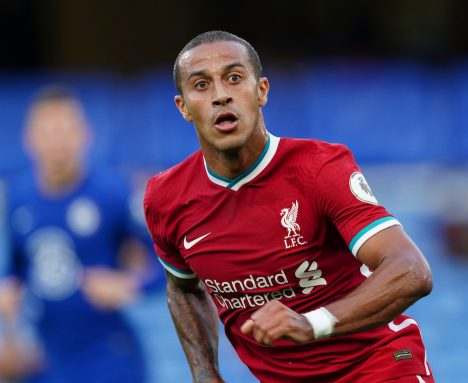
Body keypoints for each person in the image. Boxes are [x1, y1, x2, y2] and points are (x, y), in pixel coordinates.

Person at [144, 30, 435, 383]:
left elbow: (411, 271)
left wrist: (311, 322)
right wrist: (205, 372)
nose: (221, 96)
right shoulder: (166, 198)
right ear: (184, 107)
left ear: (261, 90)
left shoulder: (319, 168)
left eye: (234, 78)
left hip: (378, 364)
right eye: (201, 85)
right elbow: (182, 287)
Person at [0, 85, 155, 383]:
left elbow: (168, 263)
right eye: (48, 132)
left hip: (109, 357)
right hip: (46, 359)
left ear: (85, 134)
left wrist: (129, 283)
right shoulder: (18, 196)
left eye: (65, 130)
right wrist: (8, 287)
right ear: (29, 139)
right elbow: (18, 265)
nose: (57, 141)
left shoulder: (113, 191)